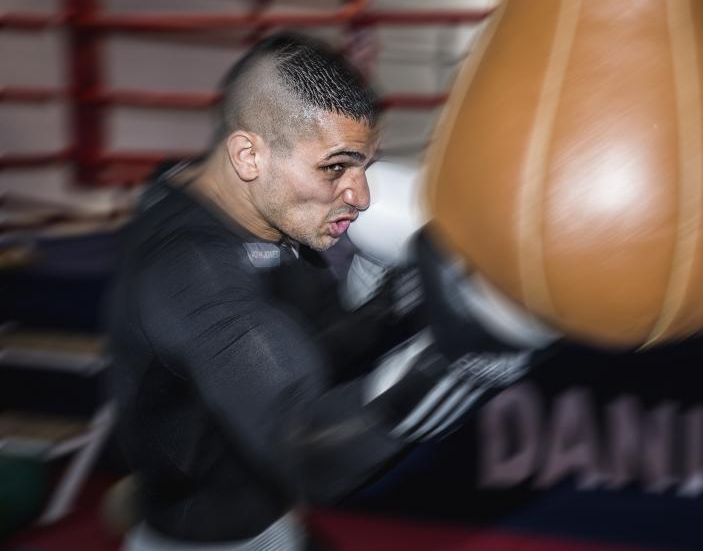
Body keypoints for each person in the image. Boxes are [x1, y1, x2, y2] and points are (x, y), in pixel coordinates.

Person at [106, 32, 552, 551]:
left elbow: (304, 344)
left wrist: (385, 297)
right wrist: (458, 362)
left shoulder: (248, 207)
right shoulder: (192, 271)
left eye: (365, 164)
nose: (360, 195)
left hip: (260, 519)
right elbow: (308, 451)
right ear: (249, 155)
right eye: (336, 166)